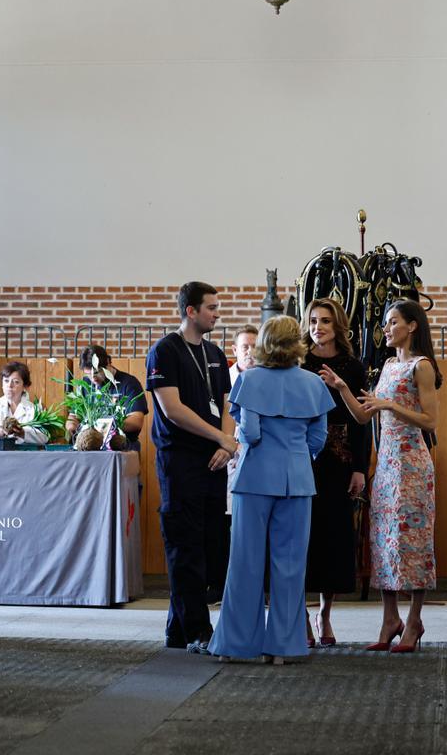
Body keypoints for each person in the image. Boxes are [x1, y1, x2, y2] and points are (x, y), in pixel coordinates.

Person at [206, 315, 334, 663]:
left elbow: (249, 433)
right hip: (298, 479)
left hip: (254, 478)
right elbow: (318, 439)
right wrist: (296, 455)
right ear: (297, 343)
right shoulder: (313, 384)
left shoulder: (248, 380)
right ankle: (283, 647)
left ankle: (237, 644)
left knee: (245, 563)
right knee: (290, 566)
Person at [320, 299, 440, 653]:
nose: (385, 329)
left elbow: (431, 421)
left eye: (392, 322)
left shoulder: (422, 366)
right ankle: (390, 618)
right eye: (386, 323)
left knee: (413, 541)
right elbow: (362, 416)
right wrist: (342, 387)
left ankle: (414, 620)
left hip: (413, 463)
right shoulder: (387, 365)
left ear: (412, 326)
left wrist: (391, 405)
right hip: (386, 465)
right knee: (384, 541)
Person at [145, 282, 239, 649]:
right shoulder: (165, 351)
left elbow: (227, 404)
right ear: (190, 311)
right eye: (211, 308)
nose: (217, 313)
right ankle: (199, 629)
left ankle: (177, 630)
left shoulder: (215, 352)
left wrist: (227, 443)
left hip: (214, 461)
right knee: (185, 547)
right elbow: (172, 409)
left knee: (208, 545)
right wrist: (219, 438)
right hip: (180, 461)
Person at [301, 298, 370, 647]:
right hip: (301, 460)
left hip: (340, 460)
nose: (319, 327)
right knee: (301, 537)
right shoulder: (299, 362)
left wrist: (360, 468)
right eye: (313, 320)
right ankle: (299, 615)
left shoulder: (353, 367)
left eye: (326, 320)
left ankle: (325, 613)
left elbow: (363, 426)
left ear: (338, 326)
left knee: (335, 538)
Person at [212, 324, 258, 603]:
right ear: (234, 350)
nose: (250, 352)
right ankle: (221, 585)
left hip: (254, 457)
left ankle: (253, 588)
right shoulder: (225, 379)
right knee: (223, 525)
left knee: (251, 525)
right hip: (227, 453)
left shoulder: (265, 378)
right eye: (245, 347)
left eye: (255, 346)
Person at [64, 344, 148, 449]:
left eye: (96, 372)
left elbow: (136, 422)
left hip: (122, 446)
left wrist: (105, 425)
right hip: (90, 445)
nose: (93, 379)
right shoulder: (84, 385)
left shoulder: (129, 383)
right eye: (88, 374)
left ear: (108, 363)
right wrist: (72, 428)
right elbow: (73, 417)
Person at [0, 361, 49, 444]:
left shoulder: (34, 409)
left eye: (15, 382)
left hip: (24, 455)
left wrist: (23, 433)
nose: (10, 385)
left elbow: (45, 436)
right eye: (6, 381)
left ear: (25, 386)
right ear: (2, 384)